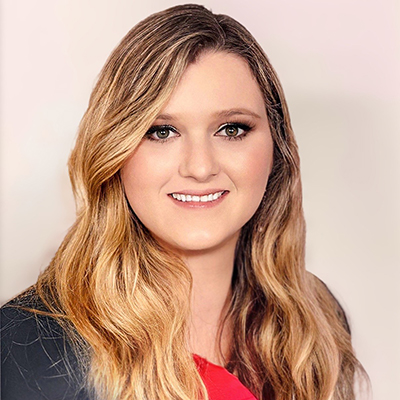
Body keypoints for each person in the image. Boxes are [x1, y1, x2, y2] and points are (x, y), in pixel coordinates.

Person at [1, 4, 368, 400]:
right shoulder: (27, 348)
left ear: (276, 146)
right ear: (113, 150)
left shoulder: (315, 323)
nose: (200, 167)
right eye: (161, 132)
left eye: (231, 129)